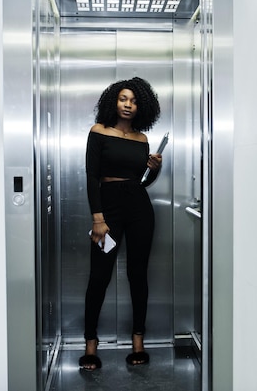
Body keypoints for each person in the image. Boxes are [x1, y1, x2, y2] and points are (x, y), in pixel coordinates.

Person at [80, 77, 163, 371]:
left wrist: (154, 169)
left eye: (134, 101)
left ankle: (137, 339)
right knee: (99, 276)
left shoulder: (142, 140)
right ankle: (91, 343)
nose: (128, 105)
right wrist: (98, 218)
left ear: (142, 106)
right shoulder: (98, 132)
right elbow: (92, 177)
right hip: (108, 210)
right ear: (113, 102)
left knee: (138, 274)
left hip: (139, 207)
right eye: (123, 99)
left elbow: (143, 181)